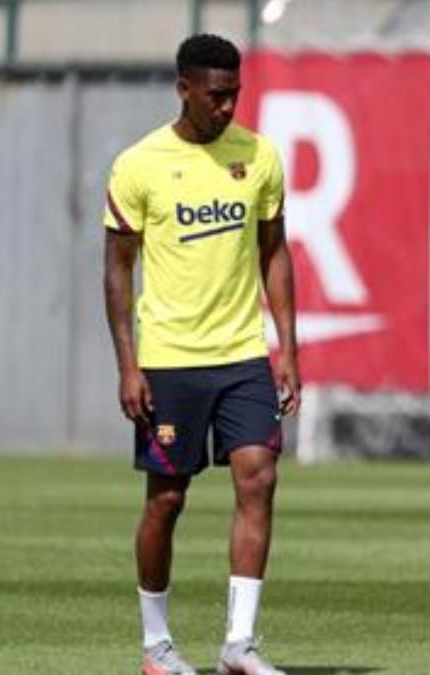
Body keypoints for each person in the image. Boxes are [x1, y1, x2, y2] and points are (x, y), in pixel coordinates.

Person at [103, 33, 300, 675]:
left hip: (242, 353)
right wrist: (128, 364)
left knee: (259, 477)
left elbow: (275, 252)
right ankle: (157, 646)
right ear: (183, 88)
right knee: (166, 500)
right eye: (216, 96)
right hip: (169, 359)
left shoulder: (260, 157)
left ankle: (238, 645)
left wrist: (287, 349)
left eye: (235, 94)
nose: (227, 108)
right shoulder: (139, 165)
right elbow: (116, 269)